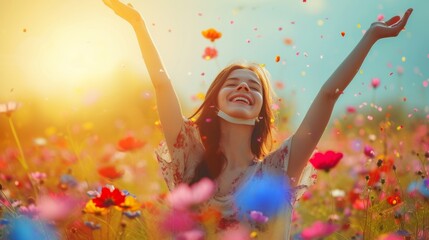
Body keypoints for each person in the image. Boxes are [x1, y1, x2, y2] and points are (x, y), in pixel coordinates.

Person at [102, 0, 413, 238]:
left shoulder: (279, 170)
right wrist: (138, 24)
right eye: (233, 83)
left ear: (262, 111)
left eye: (253, 87)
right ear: (215, 101)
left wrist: (371, 37)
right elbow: (162, 85)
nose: (242, 87)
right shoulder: (191, 157)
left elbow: (328, 95)